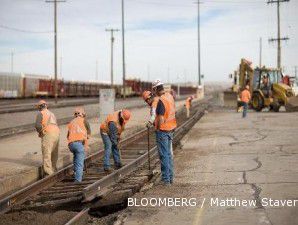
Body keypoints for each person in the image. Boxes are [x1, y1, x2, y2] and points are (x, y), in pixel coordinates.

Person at [152, 79, 177, 185]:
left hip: (163, 130)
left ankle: (166, 180)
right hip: (171, 128)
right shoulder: (170, 97)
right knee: (168, 155)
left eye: (154, 90)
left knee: (164, 155)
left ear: (156, 89)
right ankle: (170, 178)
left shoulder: (161, 100)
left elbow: (161, 118)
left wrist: (157, 128)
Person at [35, 100, 60, 176]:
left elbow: (38, 125)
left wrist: (40, 132)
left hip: (48, 134)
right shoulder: (52, 113)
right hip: (57, 133)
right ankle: (54, 169)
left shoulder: (40, 113)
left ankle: (49, 172)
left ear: (39, 107)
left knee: (47, 153)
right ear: (46, 106)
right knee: (54, 153)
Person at [67, 107, 91, 182]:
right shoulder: (84, 121)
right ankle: (78, 180)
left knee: (76, 158)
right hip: (79, 144)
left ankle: (75, 173)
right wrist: (85, 145)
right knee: (80, 163)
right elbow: (88, 134)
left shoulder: (71, 122)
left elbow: (68, 136)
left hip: (71, 144)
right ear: (83, 114)